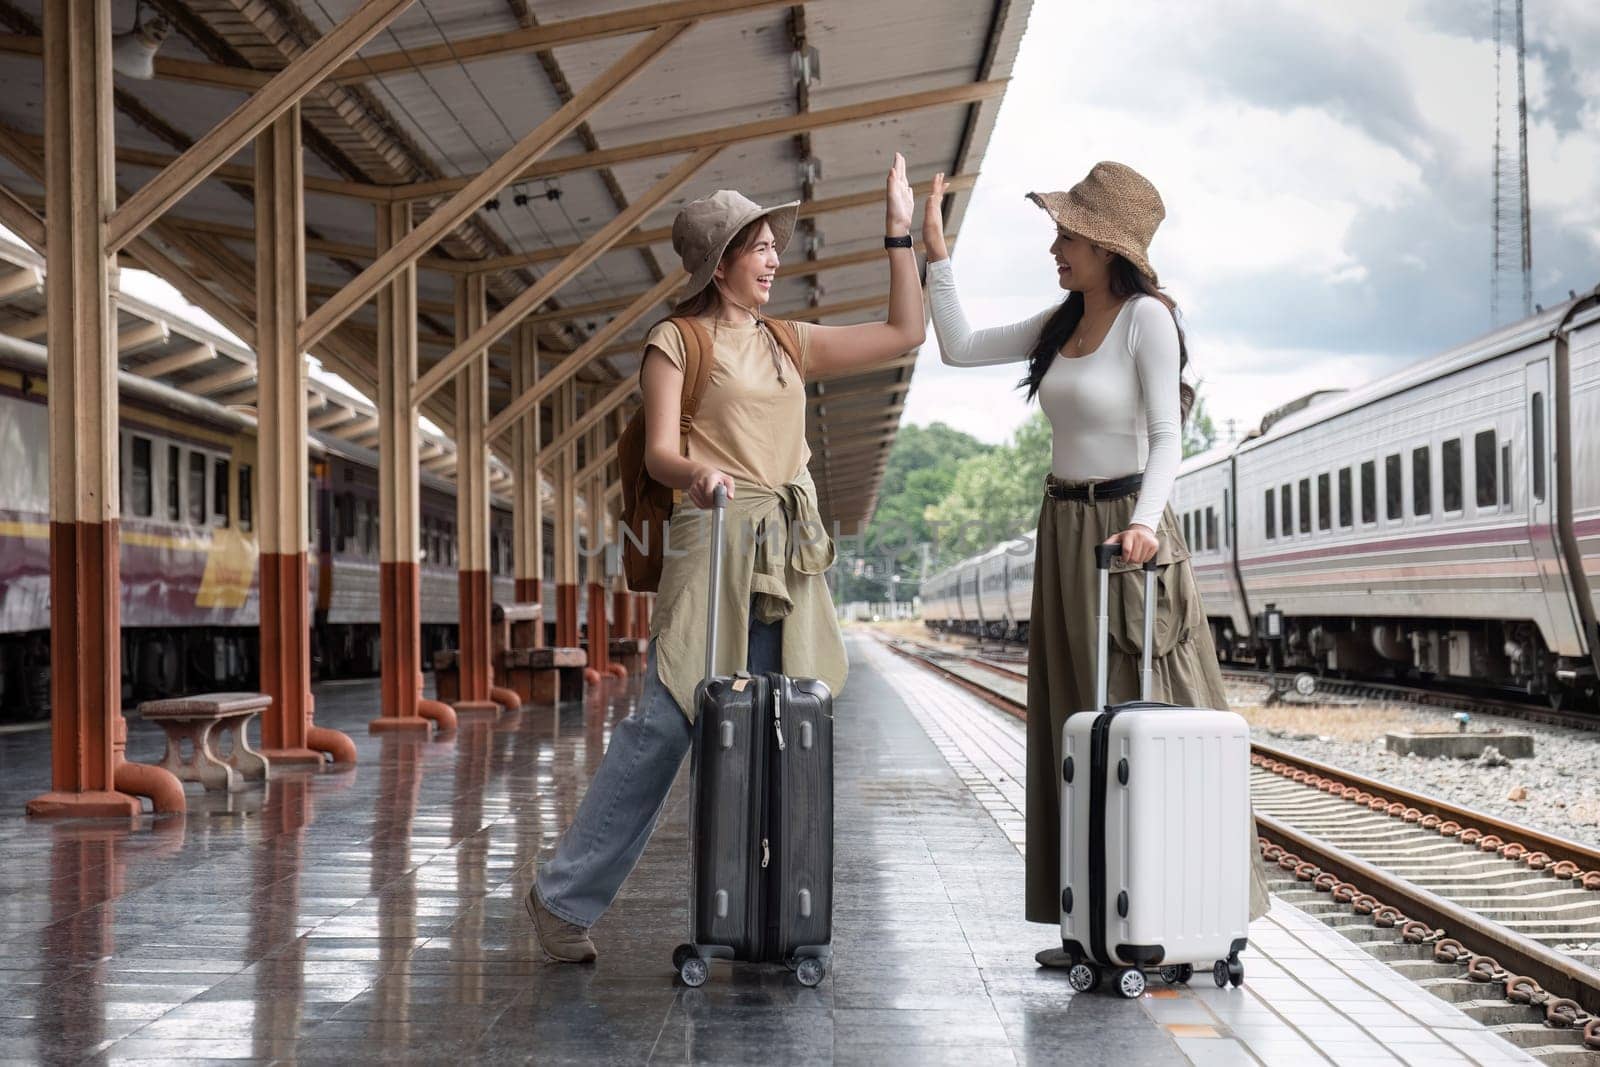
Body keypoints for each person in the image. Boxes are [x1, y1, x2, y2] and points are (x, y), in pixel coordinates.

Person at [526, 154, 926, 963]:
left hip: (784, 544)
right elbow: (664, 451)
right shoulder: (676, 340)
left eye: (776, 246)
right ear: (723, 260)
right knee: (669, 721)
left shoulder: (788, 341)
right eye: (763, 247)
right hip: (709, 532)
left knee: (782, 723)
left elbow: (904, 333)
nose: (776, 259)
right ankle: (561, 899)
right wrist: (699, 472)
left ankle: (758, 911)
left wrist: (899, 231)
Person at [921, 161, 1271, 964]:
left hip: (1127, 533)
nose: (1054, 246)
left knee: (1155, 716)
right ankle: (1089, 922)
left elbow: (1169, 436)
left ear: (1107, 246)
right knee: (1075, 721)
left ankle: (1182, 910)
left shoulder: (1148, 320)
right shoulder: (1062, 321)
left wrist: (1146, 525)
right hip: (1064, 529)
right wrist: (935, 251)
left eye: (1067, 235)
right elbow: (960, 344)